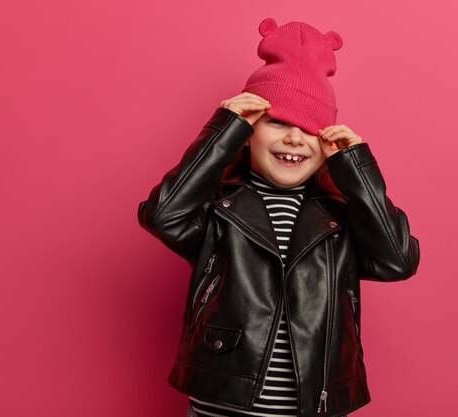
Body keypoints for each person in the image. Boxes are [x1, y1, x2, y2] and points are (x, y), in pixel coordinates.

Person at [137, 17, 420, 417]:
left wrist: (357, 169)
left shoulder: (338, 219)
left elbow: (397, 260)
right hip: (223, 403)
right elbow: (163, 214)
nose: (293, 138)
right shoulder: (220, 209)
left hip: (316, 404)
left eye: (310, 128)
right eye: (278, 121)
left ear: (326, 143)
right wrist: (222, 131)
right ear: (249, 131)